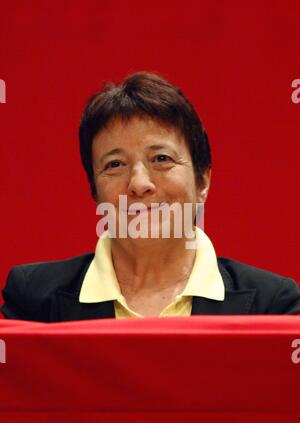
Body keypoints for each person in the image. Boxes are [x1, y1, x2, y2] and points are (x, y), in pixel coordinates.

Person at [1, 72, 300, 322]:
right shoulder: (33, 301)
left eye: (161, 158)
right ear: (95, 190)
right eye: (115, 165)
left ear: (203, 181)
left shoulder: (272, 306)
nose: (139, 184)